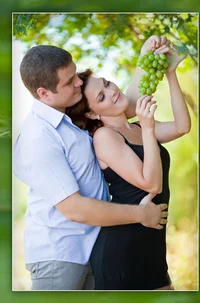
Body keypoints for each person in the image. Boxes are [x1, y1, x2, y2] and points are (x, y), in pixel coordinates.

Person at [13, 39, 168, 290]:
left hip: (94, 248)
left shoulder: (72, 115)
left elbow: (122, 104)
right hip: (60, 256)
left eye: (75, 74)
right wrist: (140, 214)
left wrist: (144, 57)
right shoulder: (39, 137)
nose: (78, 83)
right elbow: (74, 209)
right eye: (69, 81)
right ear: (44, 93)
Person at [65, 38, 189, 290]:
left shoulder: (134, 127)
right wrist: (148, 126)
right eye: (102, 96)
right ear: (92, 114)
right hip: (124, 247)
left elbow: (182, 127)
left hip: (152, 242)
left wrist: (171, 73)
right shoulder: (105, 137)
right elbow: (150, 183)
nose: (113, 91)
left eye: (108, 83)